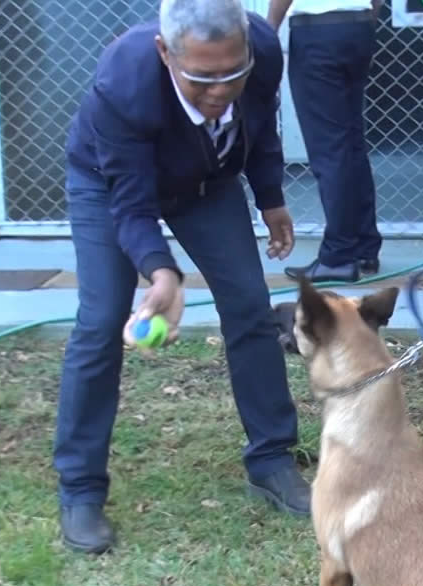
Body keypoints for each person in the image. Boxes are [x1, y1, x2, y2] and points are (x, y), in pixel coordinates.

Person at [55, 0, 313, 554]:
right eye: (201, 78)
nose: (220, 89)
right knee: (101, 321)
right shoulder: (124, 79)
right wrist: (162, 274)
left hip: (207, 182)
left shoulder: (262, 49)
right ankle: (80, 489)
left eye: (232, 73)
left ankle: (270, 459)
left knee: (248, 303)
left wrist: (270, 198)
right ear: (165, 53)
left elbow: (261, 126)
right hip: (109, 187)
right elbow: (130, 203)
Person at [266, 0, 384, 282]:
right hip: (358, 26)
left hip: (317, 33)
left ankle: (339, 256)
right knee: (351, 142)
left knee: (330, 148)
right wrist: (367, 16)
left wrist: (269, 31)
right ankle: (364, 246)